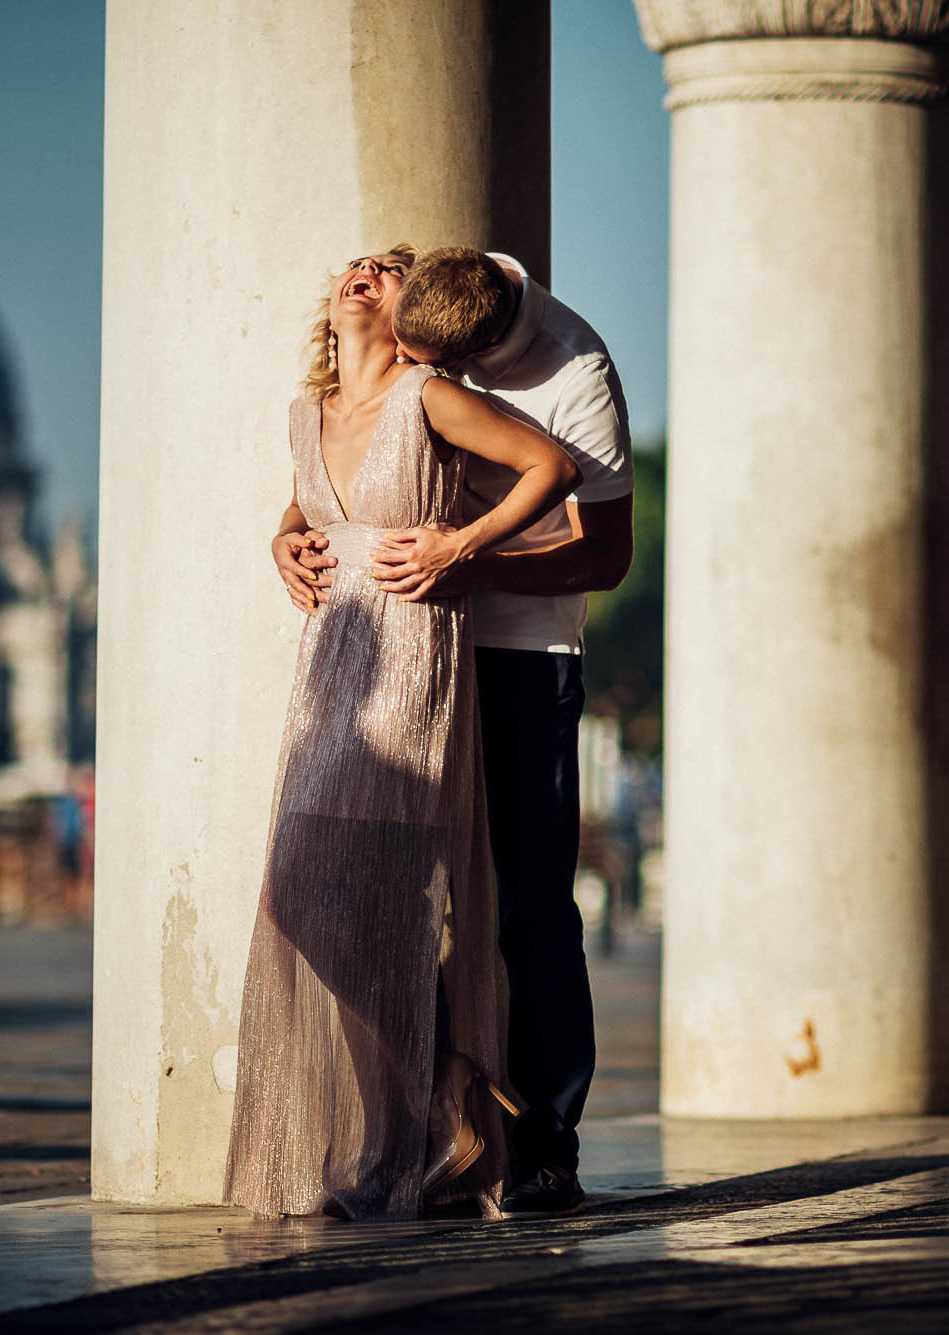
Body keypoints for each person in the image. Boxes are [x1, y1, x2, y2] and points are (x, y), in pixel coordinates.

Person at [276, 247, 633, 1214]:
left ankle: (543, 1142)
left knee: (528, 904)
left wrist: (471, 556)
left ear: (477, 350)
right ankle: (440, 1106)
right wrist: (287, 536)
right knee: (365, 891)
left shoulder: (577, 377)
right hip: (403, 651)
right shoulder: (429, 307)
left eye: (445, 367)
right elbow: (342, 469)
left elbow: (606, 557)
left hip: (519, 655)